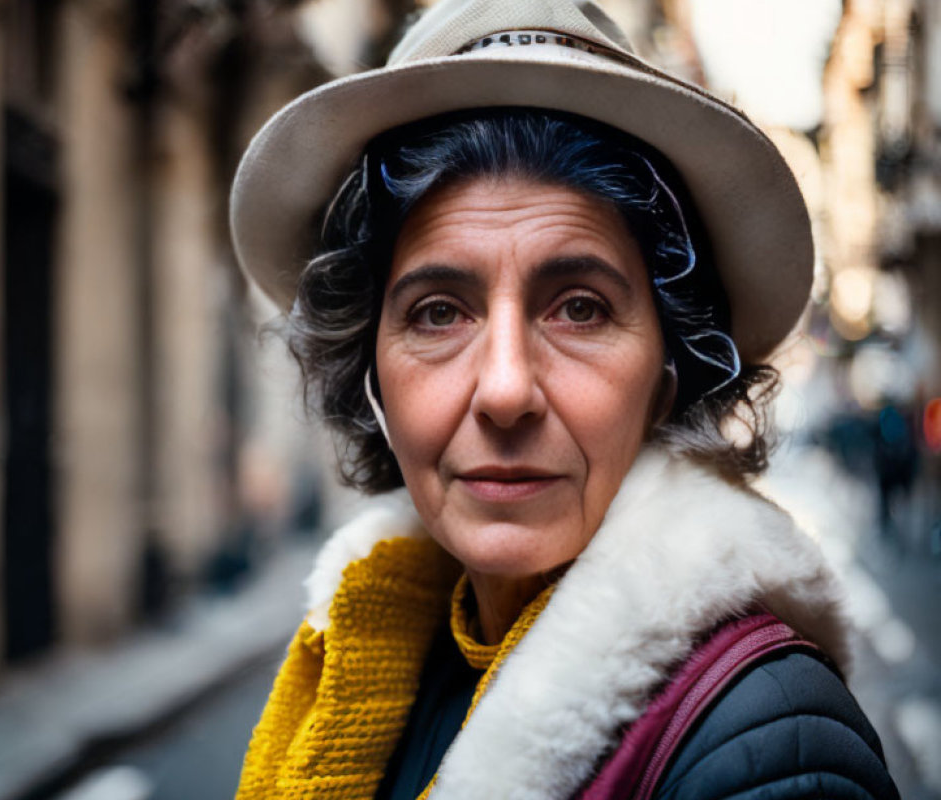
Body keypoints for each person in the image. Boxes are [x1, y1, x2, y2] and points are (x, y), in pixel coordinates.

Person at [230, 1, 899, 798]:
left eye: (579, 308)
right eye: (438, 313)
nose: (506, 389)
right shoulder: (378, 676)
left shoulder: (777, 746)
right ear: (369, 371)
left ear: (669, 371)